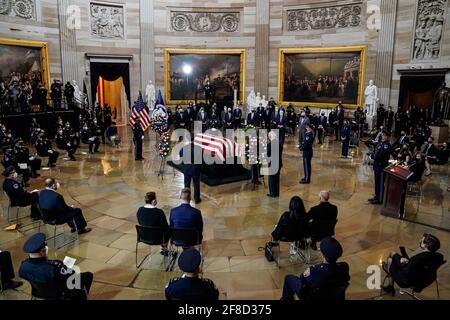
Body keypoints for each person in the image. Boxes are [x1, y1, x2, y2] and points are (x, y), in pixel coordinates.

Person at [19, 233, 93, 300]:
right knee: (88, 276)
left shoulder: (23, 266)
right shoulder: (55, 267)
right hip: (60, 294)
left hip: (39, 293)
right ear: (42, 252)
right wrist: (66, 268)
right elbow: (72, 277)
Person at [281, 237, 350, 300]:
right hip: (333, 295)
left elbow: (302, 280)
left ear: (322, 254)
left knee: (289, 279)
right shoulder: (344, 267)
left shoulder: (315, 271)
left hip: (310, 296)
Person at [369, 132, 391, 205]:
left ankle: (380, 199)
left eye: (384, 135)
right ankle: (377, 196)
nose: (383, 137)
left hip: (381, 167)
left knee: (381, 183)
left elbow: (381, 155)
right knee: (377, 182)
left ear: (388, 137)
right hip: (377, 166)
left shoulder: (387, 145)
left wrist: (373, 158)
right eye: (382, 135)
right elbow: (376, 152)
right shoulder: (380, 144)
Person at [267, 131, 282, 198]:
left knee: (271, 179)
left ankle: (272, 193)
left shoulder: (270, 144)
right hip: (279, 163)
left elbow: (268, 154)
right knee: (277, 179)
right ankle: (276, 193)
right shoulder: (279, 143)